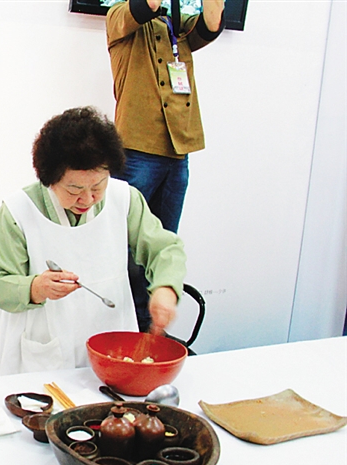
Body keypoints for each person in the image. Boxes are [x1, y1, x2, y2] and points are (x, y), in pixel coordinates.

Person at [0, 106, 186, 376]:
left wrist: (166, 289)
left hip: (110, 342)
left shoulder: (124, 199)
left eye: (97, 186)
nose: (88, 199)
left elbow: (164, 249)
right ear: (49, 180)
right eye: (74, 189)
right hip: (42, 347)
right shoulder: (19, 211)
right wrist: (35, 288)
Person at [106, 0, 224, 331]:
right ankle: (121, 329)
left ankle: (149, 331)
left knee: (163, 245)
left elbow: (211, 23)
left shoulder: (177, 25)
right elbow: (146, 5)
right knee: (125, 250)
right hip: (136, 150)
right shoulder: (119, 17)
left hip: (178, 150)